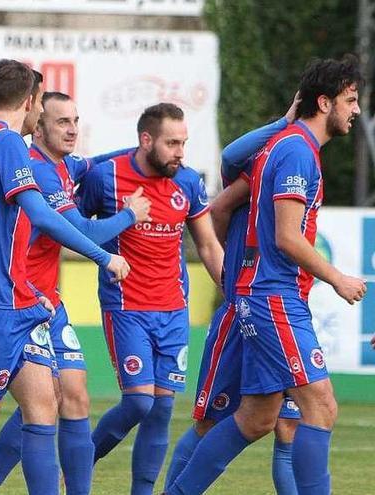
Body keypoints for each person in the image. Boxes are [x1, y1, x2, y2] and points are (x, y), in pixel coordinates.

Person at [165, 56, 365, 495]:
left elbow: (231, 198)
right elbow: (288, 238)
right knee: (321, 406)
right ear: (325, 101)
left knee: (257, 417)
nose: (356, 111)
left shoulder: (288, 147)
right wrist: (338, 278)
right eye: (351, 100)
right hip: (274, 298)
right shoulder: (295, 150)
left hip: (265, 296)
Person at [0, 91, 150, 495]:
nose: (71, 129)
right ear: (38, 122)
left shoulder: (66, 166)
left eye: (75, 121)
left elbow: (100, 160)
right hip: (19, 299)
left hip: (46, 303)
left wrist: (147, 149)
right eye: (61, 121)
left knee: (71, 398)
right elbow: (82, 232)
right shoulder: (37, 170)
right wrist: (127, 217)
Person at [79, 102, 223, 495]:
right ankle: (79, 463)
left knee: (161, 409)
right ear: (146, 140)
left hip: (174, 310)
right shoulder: (105, 177)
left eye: (184, 143)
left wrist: (236, 290)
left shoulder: (188, 182)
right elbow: (71, 228)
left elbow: (208, 245)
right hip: (126, 308)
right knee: (139, 403)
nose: (180, 152)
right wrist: (111, 240)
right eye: (172, 143)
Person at [164, 95, 303, 495]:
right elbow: (220, 205)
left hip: (287, 308)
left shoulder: (301, 163)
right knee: (212, 422)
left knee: (290, 423)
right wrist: (236, 272)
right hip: (249, 307)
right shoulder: (262, 165)